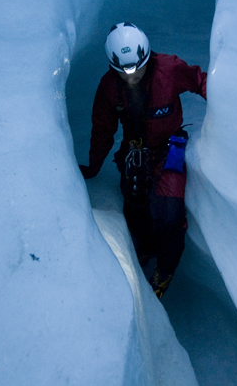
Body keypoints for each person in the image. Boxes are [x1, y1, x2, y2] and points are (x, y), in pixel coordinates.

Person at [80, 22, 207, 298]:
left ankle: (165, 268)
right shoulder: (109, 88)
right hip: (134, 150)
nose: (132, 75)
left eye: (138, 67)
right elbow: (102, 129)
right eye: (124, 71)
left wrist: (236, 108)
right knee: (135, 204)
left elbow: (200, 81)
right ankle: (142, 250)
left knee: (169, 212)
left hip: (169, 146)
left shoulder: (169, 70)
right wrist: (94, 165)